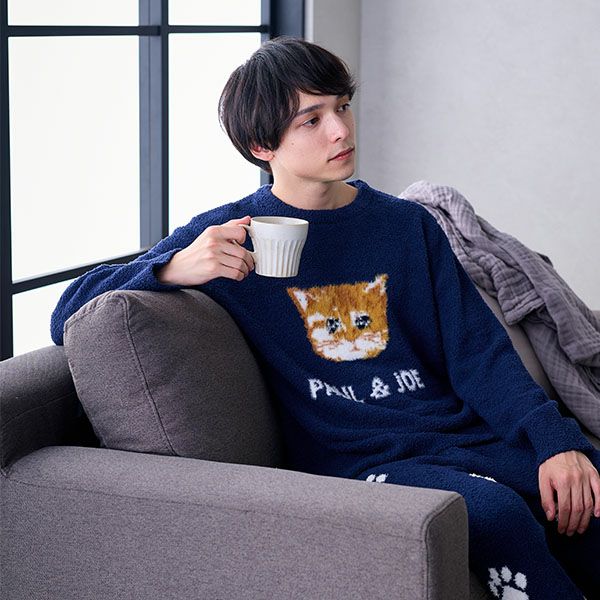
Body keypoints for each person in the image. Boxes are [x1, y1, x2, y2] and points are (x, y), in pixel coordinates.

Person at [51, 37, 600, 598]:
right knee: (494, 513)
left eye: (342, 107)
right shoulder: (232, 233)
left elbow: (479, 352)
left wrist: (555, 442)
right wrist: (172, 269)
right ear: (262, 145)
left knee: (590, 487)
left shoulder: (406, 225)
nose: (340, 130)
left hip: (461, 436)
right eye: (311, 120)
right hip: (355, 464)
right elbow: (70, 313)